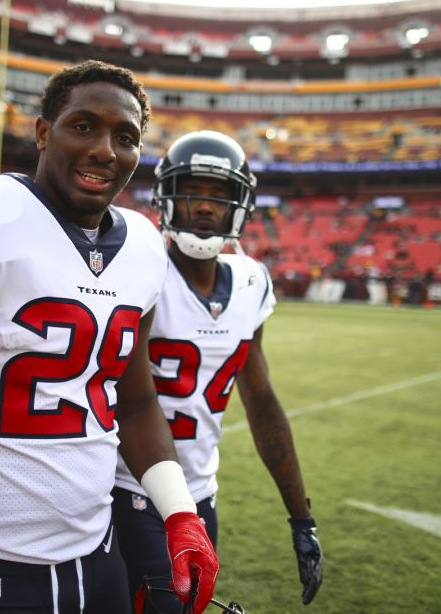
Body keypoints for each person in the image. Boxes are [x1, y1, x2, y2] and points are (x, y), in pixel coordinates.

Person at [0, 61, 220, 614]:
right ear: (43, 131)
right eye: (83, 126)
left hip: (100, 554)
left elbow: (135, 397)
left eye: (125, 137)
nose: (105, 149)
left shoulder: (145, 246)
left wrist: (180, 515)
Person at [112, 131, 322, 612]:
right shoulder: (142, 269)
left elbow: (262, 400)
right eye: (193, 192)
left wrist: (300, 518)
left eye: (218, 194)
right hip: (129, 488)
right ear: (168, 198)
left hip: (202, 495)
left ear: (239, 205)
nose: (204, 206)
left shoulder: (252, 281)